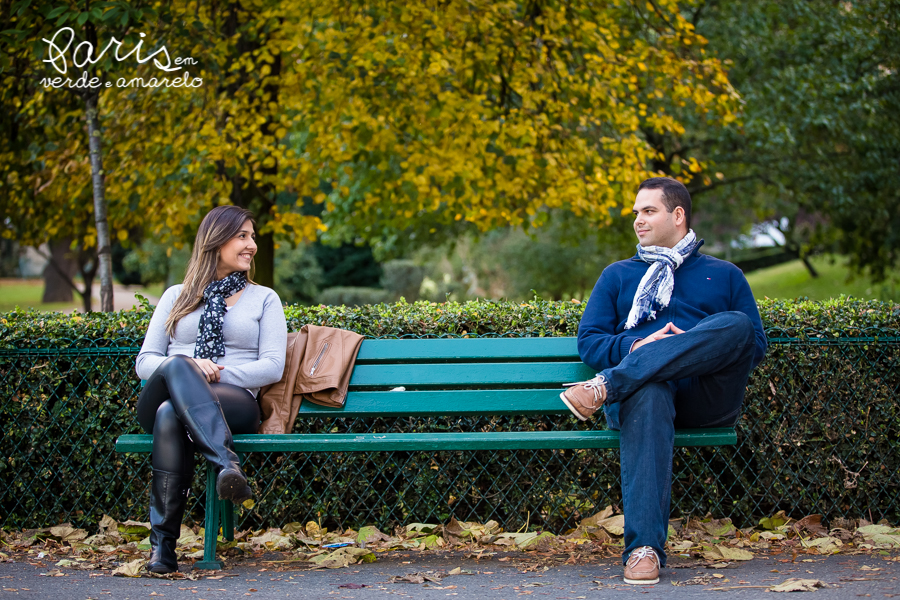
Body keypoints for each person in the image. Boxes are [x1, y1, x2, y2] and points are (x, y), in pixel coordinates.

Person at [560, 177, 767, 585]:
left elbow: (752, 345)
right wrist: (639, 345)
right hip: (645, 400)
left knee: (737, 324)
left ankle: (605, 387)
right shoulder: (618, 275)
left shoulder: (724, 275)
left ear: (677, 215)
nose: (638, 220)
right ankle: (644, 550)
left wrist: (685, 348)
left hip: (705, 396)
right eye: (636, 212)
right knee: (651, 388)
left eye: (648, 211)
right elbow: (590, 342)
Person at [135, 205, 287, 574]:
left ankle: (162, 551)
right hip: (164, 388)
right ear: (216, 241)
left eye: (252, 236)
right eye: (243, 236)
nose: (251, 245)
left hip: (231, 401)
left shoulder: (264, 298)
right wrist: (186, 368)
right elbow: (145, 361)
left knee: (170, 414)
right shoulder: (176, 296)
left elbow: (272, 366)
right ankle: (226, 463)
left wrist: (217, 373)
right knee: (177, 365)